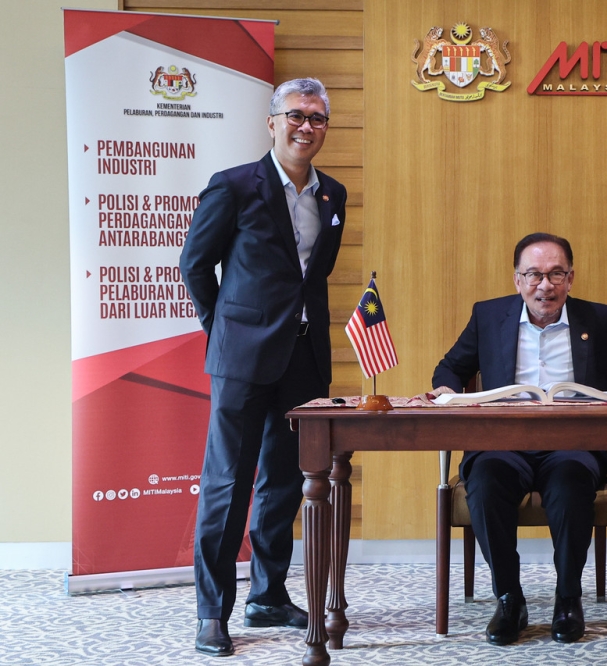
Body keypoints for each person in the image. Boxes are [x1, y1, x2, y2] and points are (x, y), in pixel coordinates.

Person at [179, 77, 347, 657]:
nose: (307, 126)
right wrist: (222, 328)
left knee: (284, 482)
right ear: (272, 122)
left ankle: (268, 595)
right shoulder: (233, 187)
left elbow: (312, 278)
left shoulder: (333, 196)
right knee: (228, 485)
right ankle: (212, 612)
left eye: (318, 118)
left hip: (303, 361)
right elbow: (195, 266)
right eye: (296, 115)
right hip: (242, 361)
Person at [431, 232, 607, 645]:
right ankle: (509, 599)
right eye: (533, 275)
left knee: (571, 483)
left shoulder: (600, 320)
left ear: (571, 278)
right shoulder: (488, 316)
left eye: (555, 275)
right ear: (517, 280)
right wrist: (447, 391)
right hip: (503, 444)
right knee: (486, 483)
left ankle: (568, 597)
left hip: (573, 445)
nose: (544, 286)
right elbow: (448, 369)